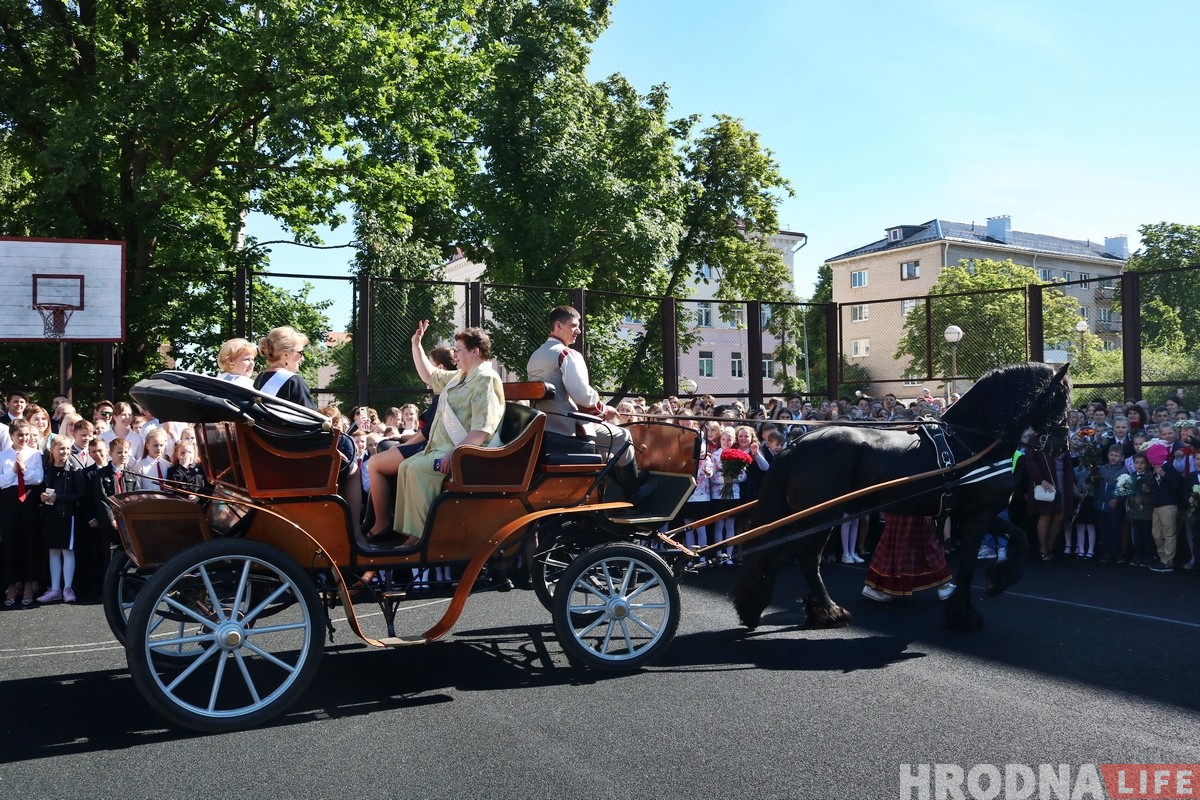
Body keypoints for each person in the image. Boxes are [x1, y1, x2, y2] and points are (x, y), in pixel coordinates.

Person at [378, 321, 504, 546]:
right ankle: (411, 533)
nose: (455, 355)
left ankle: (423, 540)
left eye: (459, 350)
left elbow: (482, 430)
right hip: (441, 448)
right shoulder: (461, 376)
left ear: (475, 351)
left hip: (469, 454)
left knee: (417, 469)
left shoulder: (486, 379)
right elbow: (430, 376)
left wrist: (454, 453)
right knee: (405, 466)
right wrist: (416, 345)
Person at [527, 306, 653, 506]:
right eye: (573, 326)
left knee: (610, 443)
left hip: (544, 427)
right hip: (567, 428)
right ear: (558, 326)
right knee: (623, 436)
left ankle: (622, 484)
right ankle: (633, 493)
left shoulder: (535, 356)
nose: (578, 331)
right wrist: (605, 410)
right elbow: (583, 397)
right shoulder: (566, 354)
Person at [364, 347, 456, 535]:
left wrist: (405, 444)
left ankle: (381, 523)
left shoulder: (445, 391)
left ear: (439, 368)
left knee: (374, 464)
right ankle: (380, 520)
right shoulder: (443, 390)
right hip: (428, 442)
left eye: (428, 363)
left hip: (431, 446)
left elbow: (428, 432)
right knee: (385, 448)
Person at [36, 435, 87, 604]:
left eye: (67, 448)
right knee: (53, 551)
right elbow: (41, 489)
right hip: (50, 515)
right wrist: (42, 497)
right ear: (52, 450)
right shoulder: (46, 469)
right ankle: (55, 588)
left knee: (67, 551)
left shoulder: (74, 470)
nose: (65, 452)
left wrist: (58, 498)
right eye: (61, 448)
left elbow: (81, 495)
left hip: (67, 515)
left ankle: (68, 588)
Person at [861, 513, 955, 602]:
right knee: (922, 542)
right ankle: (944, 585)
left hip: (903, 509)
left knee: (895, 541)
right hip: (910, 509)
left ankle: (879, 587)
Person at [2, 420, 45, 607]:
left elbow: (38, 479)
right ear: (11, 435)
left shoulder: (35, 454)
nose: (24, 438)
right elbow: (1, 482)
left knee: (30, 541)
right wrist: (13, 470)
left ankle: (28, 585)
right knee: (10, 543)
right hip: (9, 500)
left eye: (26, 435)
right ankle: (12, 586)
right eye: (20, 435)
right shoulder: (3, 455)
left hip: (28, 498)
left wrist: (25, 469)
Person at [254, 326, 314, 409]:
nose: (302, 358)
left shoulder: (259, 379)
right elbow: (309, 415)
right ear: (286, 355)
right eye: (300, 352)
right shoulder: (294, 381)